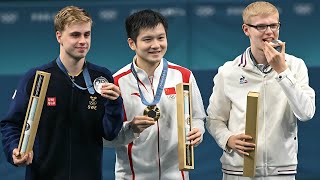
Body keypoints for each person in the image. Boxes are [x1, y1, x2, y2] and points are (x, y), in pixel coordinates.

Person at [0, 6, 123, 180]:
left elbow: (110, 133)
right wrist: (14, 149)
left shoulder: (102, 77)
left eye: (86, 34)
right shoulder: (37, 78)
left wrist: (115, 102)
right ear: (59, 36)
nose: (83, 41)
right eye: (75, 35)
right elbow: (11, 124)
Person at [206, 1, 316, 180]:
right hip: (238, 171)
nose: (269, 32)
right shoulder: (228, 71)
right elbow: (214, 119)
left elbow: (306, 112)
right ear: (246, 29)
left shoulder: (295, 66)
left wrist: (282, 71)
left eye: (274, 25)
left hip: (282, 171)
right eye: (261, 26)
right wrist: (227, 139)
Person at [103, 9, 206, 179]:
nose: (156, 45)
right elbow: (105, 138)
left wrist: (198, 131)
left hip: (176, 175)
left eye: (161, 38)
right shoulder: (116, 83)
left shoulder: (183, 75)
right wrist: (131, 128)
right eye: (147, 39)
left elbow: (198, 117)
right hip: (132, 176)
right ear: (132, 43)